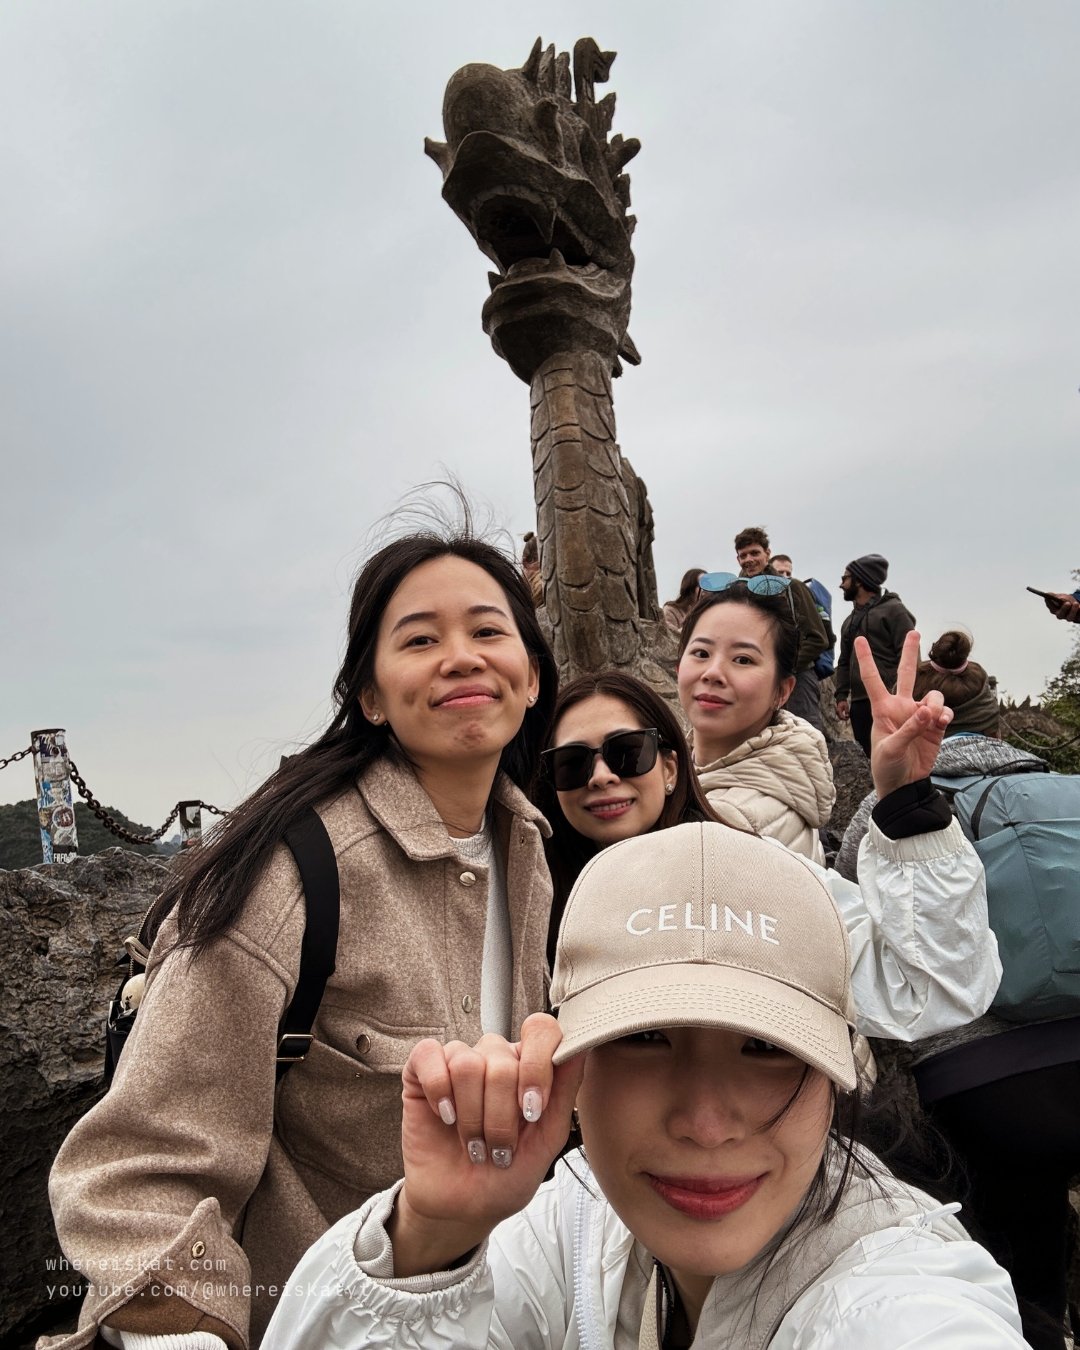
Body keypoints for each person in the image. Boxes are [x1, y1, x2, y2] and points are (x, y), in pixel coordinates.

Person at [45, 528, 559, 1349]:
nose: (461, 658)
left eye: (489, 631)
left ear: (531, 676)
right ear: (370, 696)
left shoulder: (530, 850)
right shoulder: (293, 872)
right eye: (420, 639)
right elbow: (135, 1177)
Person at [262, 822, 1027, 1350]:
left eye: (764, 1046)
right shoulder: (568, 1222)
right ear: (564, 1062)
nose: (703, 1120)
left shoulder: (903, 1293)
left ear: (836, 1072)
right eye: (644, 1038)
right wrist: (432, 1236)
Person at [837, 629, 1080, 1350]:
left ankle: (1040, 1325)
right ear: (1004, 723)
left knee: (1015, 1246)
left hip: (981, 1080)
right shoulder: (1067, 791)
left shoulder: (898, 795)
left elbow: (862, 923)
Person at [532, 671, 717, 967]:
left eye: (626, 752)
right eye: (572, 762)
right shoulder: (535, 897)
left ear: (669, 769)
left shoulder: (732, 872)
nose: (601, 777)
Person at [678, 575, 835, 863]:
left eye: (743, 659)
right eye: (701, 653)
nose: (712, 672)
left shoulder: (728, 821)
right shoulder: (784, 768)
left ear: (782, 691)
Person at [734, 526, 828, 732]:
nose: (748, 559)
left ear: (767, 553)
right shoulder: (737, 593)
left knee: (805, 739)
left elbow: (818, 638)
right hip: (756, 679)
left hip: (797, 678)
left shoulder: (792, 587)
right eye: (743, 555)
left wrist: (785, 668)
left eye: (754, 553)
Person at [834, 554, 916, 757]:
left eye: (845, 578)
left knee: (895, 756)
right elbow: (844, 661)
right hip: (860, 703)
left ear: (860, 581)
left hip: (890, 699)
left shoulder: (894, 611)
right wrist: (842, 695)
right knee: (870, 758)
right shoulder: (849, 621)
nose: (841, 584)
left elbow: (910, 656)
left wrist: (906, 695)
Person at [662, 567, 706, 633]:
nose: (705, 590)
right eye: (701, 585)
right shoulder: (671, 610)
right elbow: (670, 637)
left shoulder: (711, 612)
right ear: (690, 588)